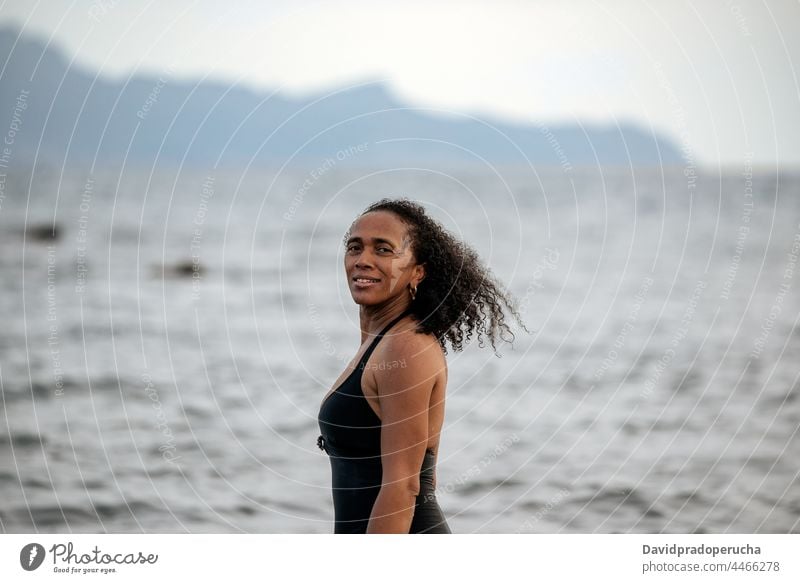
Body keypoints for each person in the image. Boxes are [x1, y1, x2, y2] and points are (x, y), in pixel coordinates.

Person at [317, 198, 526, 533]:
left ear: (418, 271)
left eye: (383, 249)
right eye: (355, 247)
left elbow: (405, 486)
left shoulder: (406, 348)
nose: (363, 260)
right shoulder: (381, 341)